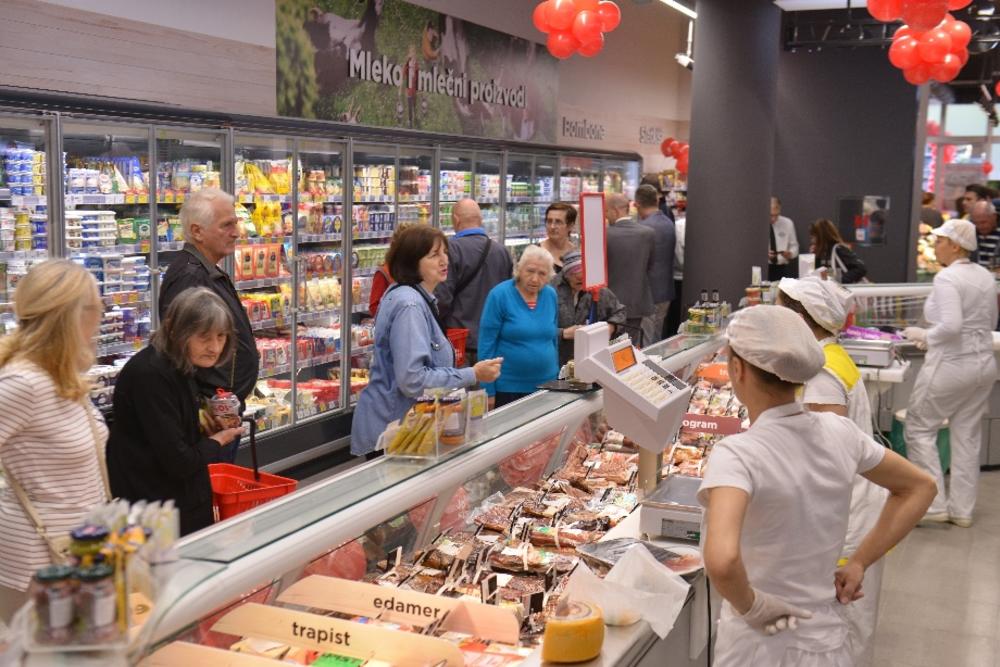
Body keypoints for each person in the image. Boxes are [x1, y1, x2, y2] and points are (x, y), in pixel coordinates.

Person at [700, 306, 936, 666]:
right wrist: (859, 563)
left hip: (756, 648)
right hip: (825, 641)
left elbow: (722, 558)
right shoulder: (839, 432)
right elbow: (921, 487)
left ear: (737, 369)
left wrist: (753, 606)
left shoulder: (737, 454)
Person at [777, 277, 888, 666]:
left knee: (842, 626)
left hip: (844, 519)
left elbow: (824, 454)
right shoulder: (830, 355)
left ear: (800, 318)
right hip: (849, 510)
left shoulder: (821, 373)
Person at [0, 261, 109, 623]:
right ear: (71, 317)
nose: (101, 317)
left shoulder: (62, 376)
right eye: (95, 308)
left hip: (79, 553)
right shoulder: (24, 384)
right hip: (38, 565)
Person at [353, 225, 502, 457]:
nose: (444, 260)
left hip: (404, 429)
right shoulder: (410, 306)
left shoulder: (414, 297)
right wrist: (473, 374)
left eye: (445, 252)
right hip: (394, 433)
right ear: (412, 262)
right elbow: (412, 380)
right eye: (434, 255)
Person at [107, 288, 244, 536]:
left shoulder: (178, 363)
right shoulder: (151, 376)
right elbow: (179, 461)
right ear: (174, 330)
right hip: (156, 514)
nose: (215, 347)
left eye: (221, 336)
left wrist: (202, 427)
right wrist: (217, 441)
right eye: (204, 337)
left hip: (170, 504)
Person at [902, 219, 998, 527]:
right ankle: (961, 510)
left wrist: (924, 335)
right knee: (967, 435)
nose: (936, 245)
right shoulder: (984, 276)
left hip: (952, 365)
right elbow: (988, 321)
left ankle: (932, 505)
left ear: (955, 246)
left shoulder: (947, 278)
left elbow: (952, 326)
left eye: (940, 240)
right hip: (983, 365)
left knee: (919, 427)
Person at [159, 188, 259, 461]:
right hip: (207, 421)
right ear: (197, 231)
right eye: (227, 225)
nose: (236, 232)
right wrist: (212, 402)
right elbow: (183, 352)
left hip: (219, 412)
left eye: (236, 223)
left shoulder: (205, 271)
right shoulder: (191, 277)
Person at [478, 245, 559, 407]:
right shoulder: (499, 295)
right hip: (508, 387)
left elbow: (552, 338)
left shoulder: (550, 295)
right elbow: (486, 344)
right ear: (519, 269)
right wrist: (488, 390)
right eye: (530, 271)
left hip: (547, 383)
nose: (535, 279)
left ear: (549, 276)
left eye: (542, 274)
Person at [435, 198, 513, 365]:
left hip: (460, 343)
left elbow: (442, 299)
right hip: (493, 342)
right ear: (480, 219)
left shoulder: (450, 250)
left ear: (456, 219)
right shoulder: (502, 252)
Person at [552, 250, 626, 366]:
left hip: (591, 357)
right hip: (558, 359)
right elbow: (537, 329)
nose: (582, 284)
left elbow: (619, 312)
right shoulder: (551, 290)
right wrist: (563, 333)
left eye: (585, 280)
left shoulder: (596, 286)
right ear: (566, 276)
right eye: (578, 280)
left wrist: (610, 327)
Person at [604, 193, 655, 345]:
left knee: (609, 349)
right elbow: (650, 266)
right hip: (637, 302)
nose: (605, 216)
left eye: (606, 211)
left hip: (610, 305)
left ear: (615, 211)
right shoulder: (648, 233)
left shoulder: (605, 235)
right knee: (630, 347)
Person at [636, 184, 676, 345]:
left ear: (638, 204)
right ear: (657, 201)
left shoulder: (643, 228)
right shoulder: (668, 223)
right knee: (656, 336)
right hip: (665, 290)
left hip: (648, 293)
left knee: (646, 340)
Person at [809, 218, 867, 283]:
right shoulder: (823, 253)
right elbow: (821, 274)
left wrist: (841, 280)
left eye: (813, 237)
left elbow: (860, 268)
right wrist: (815, 256)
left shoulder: (839, 249)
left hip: (846, 288)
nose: (812, 240)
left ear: (821, 236)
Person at [538, 203, 577, 273]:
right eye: (549, 221)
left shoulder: (577, 256)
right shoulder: (535, 253)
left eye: (558, 222)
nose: (552, 226)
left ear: (570, 226)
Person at [768, 196, 799, 281]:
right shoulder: (758, 224)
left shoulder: (787, 223)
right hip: (764, 267)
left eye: (776, 215)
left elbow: (795, 246)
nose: (773, 219)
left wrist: (790, 253)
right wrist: (763, 255)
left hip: (782, 268)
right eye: (771, 215)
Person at [969, 200, 1000, 271]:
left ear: (994, 216)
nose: (980, 226)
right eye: (976, 223)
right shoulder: (971, 232)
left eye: (983, 222)